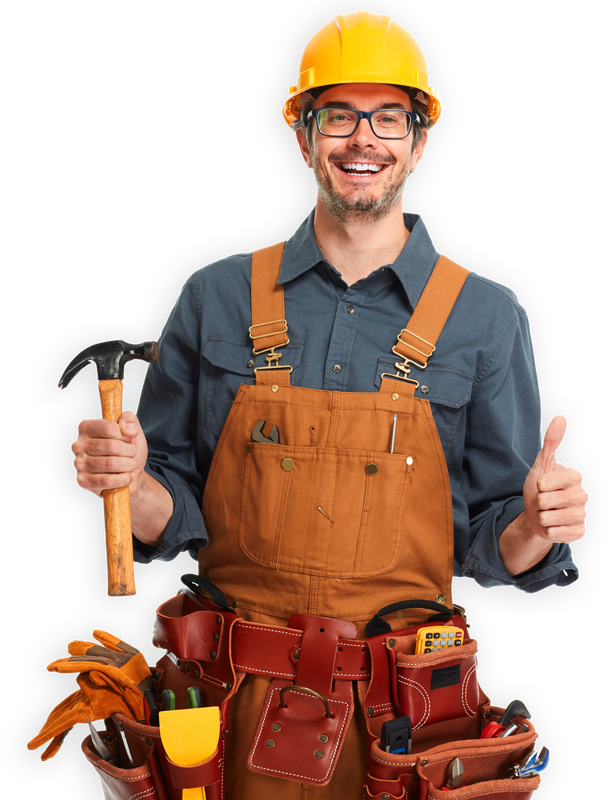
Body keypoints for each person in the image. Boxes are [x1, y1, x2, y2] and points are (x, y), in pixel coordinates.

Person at [70, 11, 588, 798]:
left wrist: (536, 525)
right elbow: (171, 513)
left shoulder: (485, 317)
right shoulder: (215, 296)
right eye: (338, 116)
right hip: (221, 715)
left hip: (399, 724)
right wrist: (131, 480)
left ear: (419, 140)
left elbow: (492, 546)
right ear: (304, 137)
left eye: (389, 117)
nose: (362, 139)